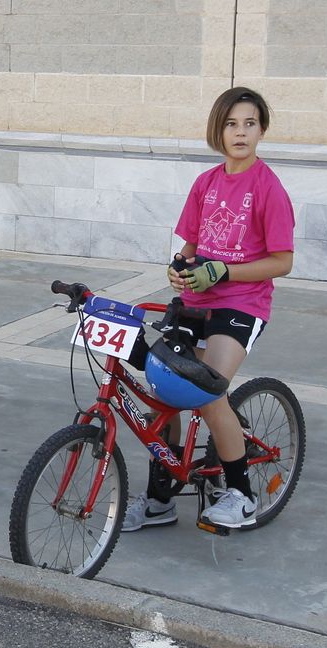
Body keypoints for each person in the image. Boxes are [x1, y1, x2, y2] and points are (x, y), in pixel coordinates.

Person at [125, 86, 295, 532]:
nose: (240, 133)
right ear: (217, 130)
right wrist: (178, 270)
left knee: (205, 391)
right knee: (166, 398)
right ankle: (161, 500)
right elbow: (189, 248)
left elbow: (283, 261)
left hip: (242, 304)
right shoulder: (206, 183)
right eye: (231, 124)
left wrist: (223, 272)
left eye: (250, 124)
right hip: (196, 301)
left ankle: (241, 494)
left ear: (261, 130)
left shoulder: (268, 188)